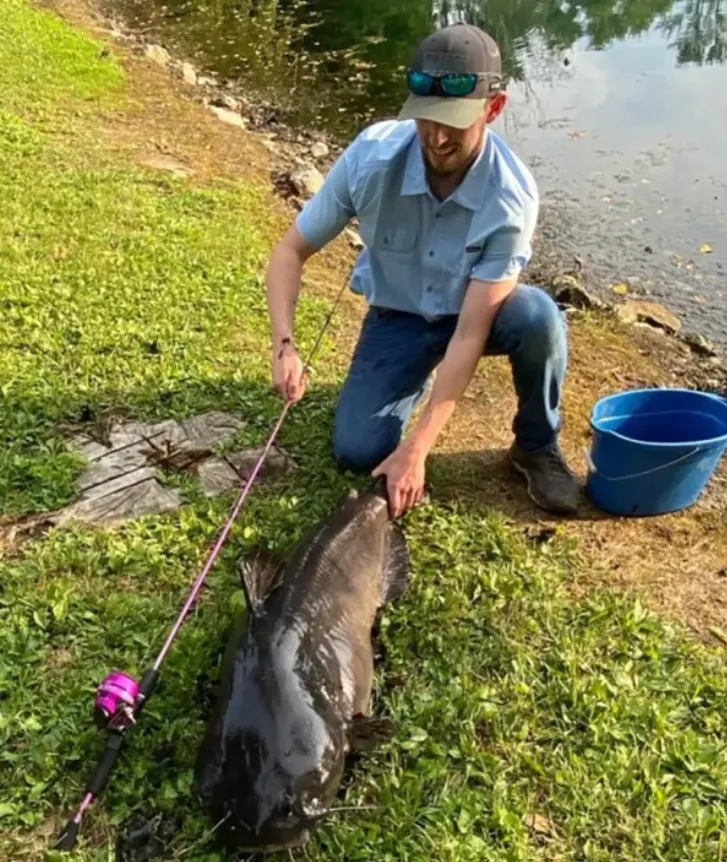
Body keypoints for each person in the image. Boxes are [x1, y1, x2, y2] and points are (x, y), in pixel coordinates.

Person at [265, 22, 580, 519]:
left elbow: (469, 335)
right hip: (399, 317)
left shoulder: (511, 199)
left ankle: (535, 446)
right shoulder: (370, 158)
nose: (435, 137)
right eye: (425, 119)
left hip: (475, 316)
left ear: (492, 108)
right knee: (356, 453)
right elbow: (289, 253)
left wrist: (418, 448)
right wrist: (284, 345)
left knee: (538, 317)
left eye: (453, 121)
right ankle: (406, 384)